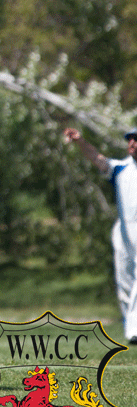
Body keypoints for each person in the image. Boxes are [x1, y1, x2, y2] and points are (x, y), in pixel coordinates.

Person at [64, 126, 137, 344]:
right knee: (124, 283)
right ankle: (130, 327)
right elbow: (97, 159)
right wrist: (80, 141)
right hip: (124, 230)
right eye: (130, 139)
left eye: (136, 139)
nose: (132, 143)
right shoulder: (120, 168)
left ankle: (134, 329)